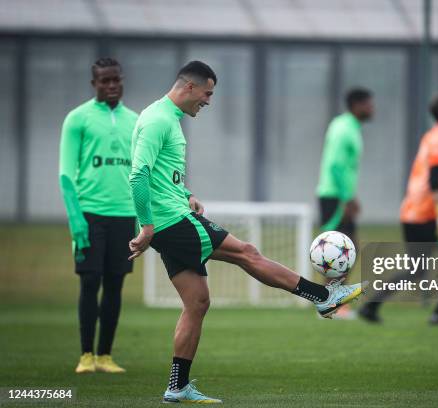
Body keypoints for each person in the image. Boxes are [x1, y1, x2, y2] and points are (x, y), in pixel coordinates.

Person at [128, 61, 366, 403]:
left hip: (171, 216)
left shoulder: (165, 118)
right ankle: (323, 296)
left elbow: (163, 176)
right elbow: (138, 176)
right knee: (247, 253)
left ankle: (177, 386)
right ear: (190, 87)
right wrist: (148, 226)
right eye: (208, 93)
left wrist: (186, 194)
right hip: (170, 221)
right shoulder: (157, 120)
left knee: (197, 302)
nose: (208, 101)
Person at [358, 94, 438, 325]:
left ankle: (370, 307)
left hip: (414, 215)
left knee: (417, 271)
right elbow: (435, 180)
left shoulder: (433, 137)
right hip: (426, 217)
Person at [59, 57, 138, 374]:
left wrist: (141, 216)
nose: (111, 85)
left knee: (115, 283)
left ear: (122, 80)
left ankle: (105, 355)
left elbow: (144, 170)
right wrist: (75, 219)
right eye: (104, 81)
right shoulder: (77, 119)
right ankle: (85, 355)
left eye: (115, 79)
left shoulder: (135, 121)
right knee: (90, 281)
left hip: (124, 215)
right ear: (94, 84)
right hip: (90, 213)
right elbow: (66, 174)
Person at [316, 88, 373, 319]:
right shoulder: (344, 128)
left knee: (346, 249)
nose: (372, 108)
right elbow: (336, 166)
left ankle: (330, 301)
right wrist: (347, 198)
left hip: (338, 195)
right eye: (369, 104)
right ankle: (330, 303)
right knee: (338, 251)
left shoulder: (348, 126)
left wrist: (350, 195)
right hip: (335, 196)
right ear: (357, 105)